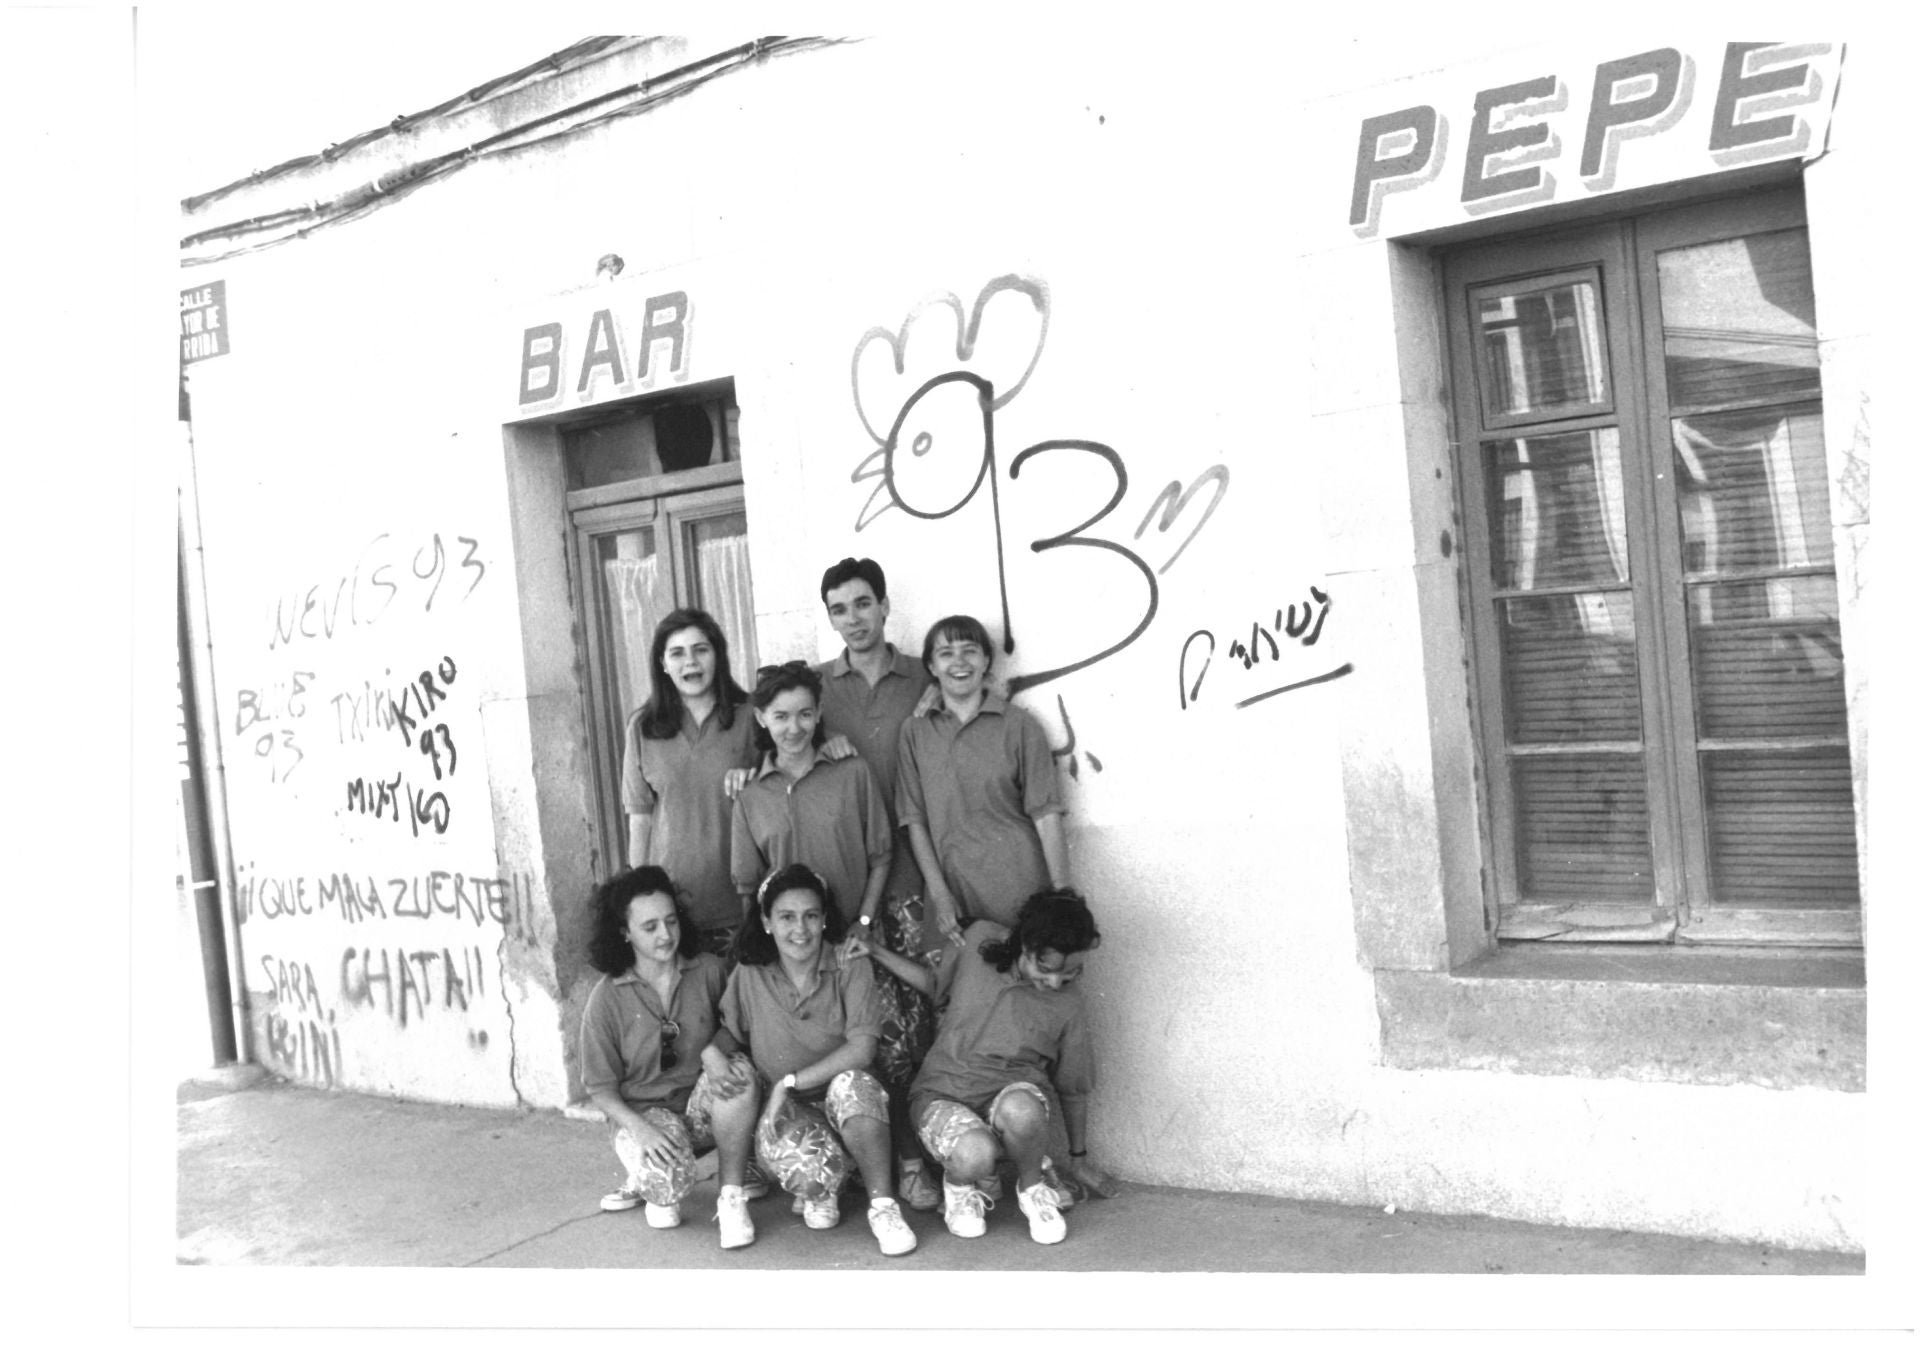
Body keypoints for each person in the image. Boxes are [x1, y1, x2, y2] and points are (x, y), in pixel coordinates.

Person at [847, 886, 1117, 1245]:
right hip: (940, 1095)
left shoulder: (1069, 1006)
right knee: (974, 1154)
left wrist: (1079, 1158)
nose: (1054, 983)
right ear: (1025, 944)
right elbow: (934, 983)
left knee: (1023, 1110)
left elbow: (1073, 1088)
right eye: (1045, 968)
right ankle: (958, 1190)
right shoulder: (979, 940)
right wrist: (876, 951)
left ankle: (1033, 1189)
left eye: (1070, 974)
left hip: (1009, 1099)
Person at [700, 863, 917, 1256]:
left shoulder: (849, 963)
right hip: (789, 1112)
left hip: (838, 1102)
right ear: (767, 922)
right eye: (786, 917)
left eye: (810, 916)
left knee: (855, 1086)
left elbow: (862, 1048)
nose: (799, 930)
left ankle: (883, 1208)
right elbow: (732, 1030)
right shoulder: (752, 971)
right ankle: (736, 1200)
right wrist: (711, 1052)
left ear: (823, 920)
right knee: (736, 1079)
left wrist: (789, 1082)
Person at [816, 557, 945, 1211]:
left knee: (921, 1028)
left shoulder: (924, 676)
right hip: (851, 889)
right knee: (872, 1033)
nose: (853, 619)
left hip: (919, 883)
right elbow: (775, 747)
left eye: (863, 604)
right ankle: (891, 1160)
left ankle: (929, 1159)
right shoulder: (818, 691)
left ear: (885, 606)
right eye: (839, 609)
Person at [579, 865, 753, 1228]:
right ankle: (645, 1178)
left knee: (742, 1076)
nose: (665, 935)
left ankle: (732, 1190)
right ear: (625, 933)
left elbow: (739, 1025)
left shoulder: (708, 970)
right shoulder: (606, 998)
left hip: (700, 1105)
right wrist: (638, 1129)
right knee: (667, 1201)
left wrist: (714, 1049)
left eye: (671, 921)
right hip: (645, 1115)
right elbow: (599, 1088)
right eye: (650, 927)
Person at [895, 613, 1071, 938]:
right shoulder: (915, 732)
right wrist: (939, 894)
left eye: (970, 650)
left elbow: (1046, 815)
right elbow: (913, 820)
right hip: (956, 891)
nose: (959, 662)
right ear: (931, 667)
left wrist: (1062, 898)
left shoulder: (1020, 726)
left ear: (986, 660)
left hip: (1021, 883)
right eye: (946, 653)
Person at [620, 608, 758, 951]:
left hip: (742, 905)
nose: (690, 662)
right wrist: (638, 907)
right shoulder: (643, 727)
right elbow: (640, 820)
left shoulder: (752, 717)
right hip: (673, 915)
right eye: (677, 653)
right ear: (662, 664)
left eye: (701, 649)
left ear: (718, 655)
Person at [730, 660, 892, 932]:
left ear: (819, 713)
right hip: (788, 946)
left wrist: (863, 921)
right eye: (780, 716)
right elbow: (748, 885)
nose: (794, 728)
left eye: (804, 714)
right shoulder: (749, 795)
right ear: (761, 718)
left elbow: (882, 857)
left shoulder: (853, 774)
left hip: (851, 938)